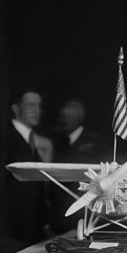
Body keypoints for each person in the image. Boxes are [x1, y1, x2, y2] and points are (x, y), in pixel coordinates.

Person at [0, 89, 53, 253]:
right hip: (11, 232)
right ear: (16, 109)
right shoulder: (6, 140)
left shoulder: (30, 141)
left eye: (39, 105)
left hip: (31, 230)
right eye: (31, 105)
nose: (37, 110)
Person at [49, 98, 110, 233]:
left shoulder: (94, 143)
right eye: (63, 115)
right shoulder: (59, 143)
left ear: (80, 116)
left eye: (69, 115)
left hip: (84, 210)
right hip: (61, 210)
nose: (64, 119)